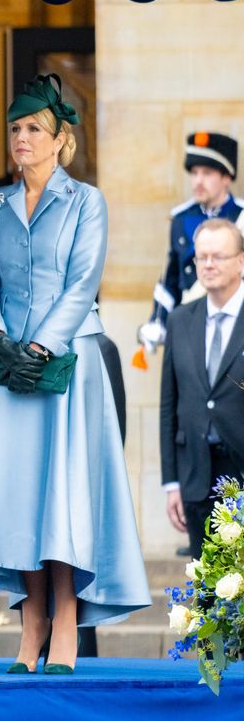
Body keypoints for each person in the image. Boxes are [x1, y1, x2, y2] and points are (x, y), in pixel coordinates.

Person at [0, 74, 149, 675]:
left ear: (61, 139)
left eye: (33, 128)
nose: (21, 138)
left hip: (64, 363)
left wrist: (39, 345)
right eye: (14, 128)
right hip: (6, 367)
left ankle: (65, 620)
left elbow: (83, 281)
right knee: (17, 498)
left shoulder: (88, 200)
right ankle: (29, 620)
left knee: (60, 496)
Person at [160, 217, 244, 559]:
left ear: (240, 261)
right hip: (196, 474)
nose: (207, 265)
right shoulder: (180, 320)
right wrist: (171, 483)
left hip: (238, 467)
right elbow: (169, 405)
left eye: (217, 257)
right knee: (208, 594)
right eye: (201, 257)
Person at [138, 132, 240, 353]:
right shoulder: (181, 218)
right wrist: (157, 321)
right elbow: (170, 279)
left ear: (226, 176)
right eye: (194, 173)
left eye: (207, 173)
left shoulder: (242, 217)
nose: (198, 181)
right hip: (191, 324)